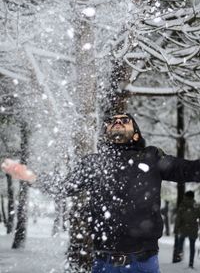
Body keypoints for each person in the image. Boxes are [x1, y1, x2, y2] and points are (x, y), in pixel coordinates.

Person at [3, 113, 200, 273]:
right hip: (104, 263)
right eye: (112, 122)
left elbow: (190, 170)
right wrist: (31, 177)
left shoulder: (152, 157)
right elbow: (63, 187)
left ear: (136, 134)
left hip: (143, 262)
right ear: (105, 133)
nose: (117, 123)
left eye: (124, 120)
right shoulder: (94, 163)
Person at [174, 190, 200, 268]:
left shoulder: (182, 205)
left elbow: (178, 218)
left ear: (186, 196)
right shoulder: (196, 205)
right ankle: (191, 263)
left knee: (180, 243)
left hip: (183, 228)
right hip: (193, 228)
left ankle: (179, 256)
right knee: (192, 246)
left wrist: (176, 228)